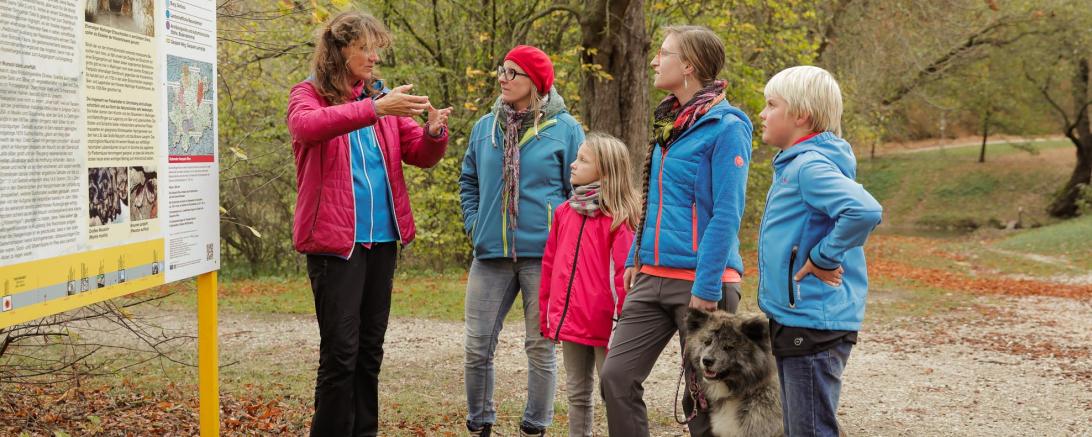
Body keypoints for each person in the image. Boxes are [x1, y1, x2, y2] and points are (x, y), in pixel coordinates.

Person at [285, 11, 452, 437]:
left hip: (383, 241)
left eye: (376, 48)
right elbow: (306, 128)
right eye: (364, 48)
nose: (374, 57)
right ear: (339, 51)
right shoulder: (309, 94)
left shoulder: (381, 98)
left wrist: (434, 133)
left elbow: (419, 153)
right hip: (335, 245)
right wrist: (373, 109)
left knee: (369, 352)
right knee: (340, 355)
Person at [599, 25, 754, 437]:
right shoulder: (669, 124)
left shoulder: (728, 126)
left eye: (663, 53)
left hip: (703, 283)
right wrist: (635, 257)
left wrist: (706, 287)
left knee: (704, 399)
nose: (654, 61)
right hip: (652, 276)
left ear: (689, 65)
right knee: (616, 377)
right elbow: (653, 201)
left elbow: (727, 212)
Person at [459, 45, 584, 437]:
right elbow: (469, 181)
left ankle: (535, 427)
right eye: (503, 70)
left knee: (540, 348)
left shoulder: (565, 129)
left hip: (543, 257)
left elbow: (580, 191)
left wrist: (564, 240)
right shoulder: (485, 127)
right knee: (477, 346)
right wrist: (475, 224)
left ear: (536, 82)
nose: (503, 78)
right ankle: (479, 423)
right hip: (489, 255)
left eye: (513, 73)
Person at [756, 65, 883, 436]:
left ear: (801, 115)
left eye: (771, 105)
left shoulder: (809, 167)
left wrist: (823, 257)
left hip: (813, 320)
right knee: (800, 427)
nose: (762, 114)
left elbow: (864, 210)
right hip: (796, 316)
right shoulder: (794, 164)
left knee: (809, 430)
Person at [539, 132, 640, 437]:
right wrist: (548, 314)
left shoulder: (620, 218)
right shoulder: (564, 212)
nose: (573, 164)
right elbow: (550, 266)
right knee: (577, 394)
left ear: (605, 171)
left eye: (582, 160)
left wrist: (623, 323)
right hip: (571, 321)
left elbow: (625, 276)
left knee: (614, 394)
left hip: (607, 326)